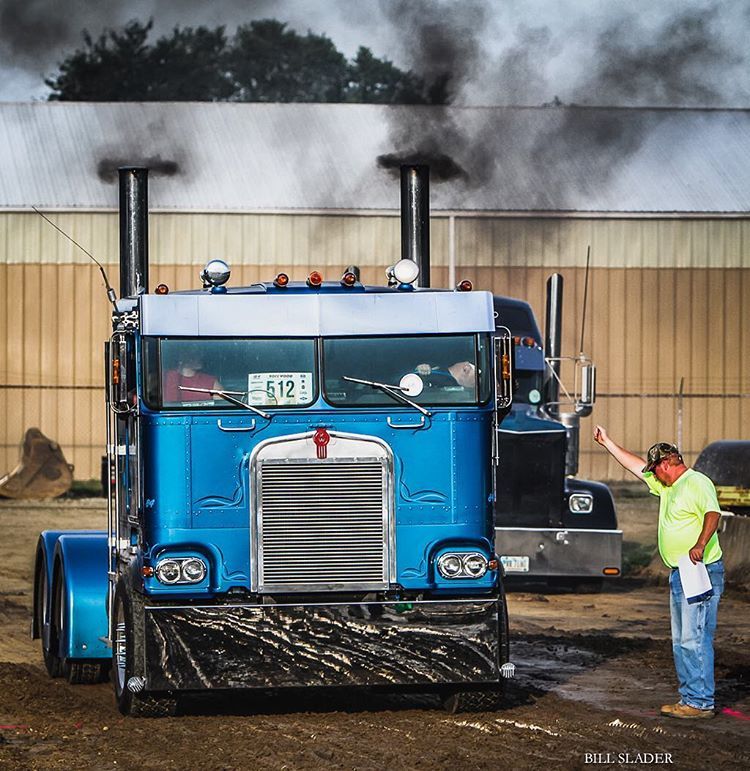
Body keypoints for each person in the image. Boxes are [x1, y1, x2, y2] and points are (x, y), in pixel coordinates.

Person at [593, 426, 723, 720]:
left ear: (667, 464)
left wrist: (700, 544)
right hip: (681, 573)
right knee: (681, 639)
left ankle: (700, 702)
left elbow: (712, 514)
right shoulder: (667, 486)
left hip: (700, 571)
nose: (653, 474)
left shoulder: (696, 483)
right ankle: (690, 697)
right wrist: (608, 443)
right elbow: (635, 465)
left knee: (695, 637)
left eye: (656, 469)